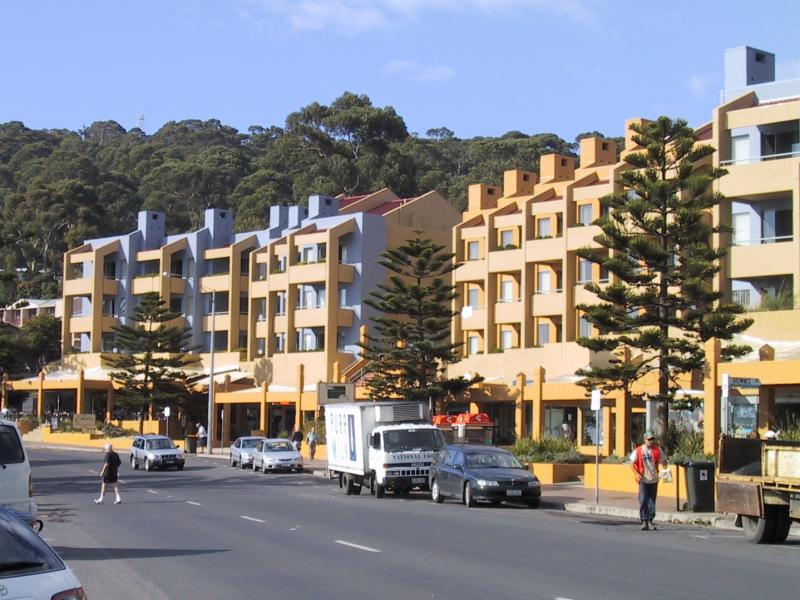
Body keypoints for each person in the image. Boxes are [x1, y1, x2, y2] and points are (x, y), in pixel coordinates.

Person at [630, 431, 667, 531]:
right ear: (645, 439)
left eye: (652, 439)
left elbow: (664, 460)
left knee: (652, 501)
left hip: (654, 479)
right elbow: (631, 463)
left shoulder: (656, 450)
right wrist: (637, 473)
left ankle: (650, 520)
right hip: (643, 479)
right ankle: (644, 520)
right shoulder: (638, 450)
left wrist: (664, 468)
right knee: (643, 500)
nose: (651, 441)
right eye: (649, 439)